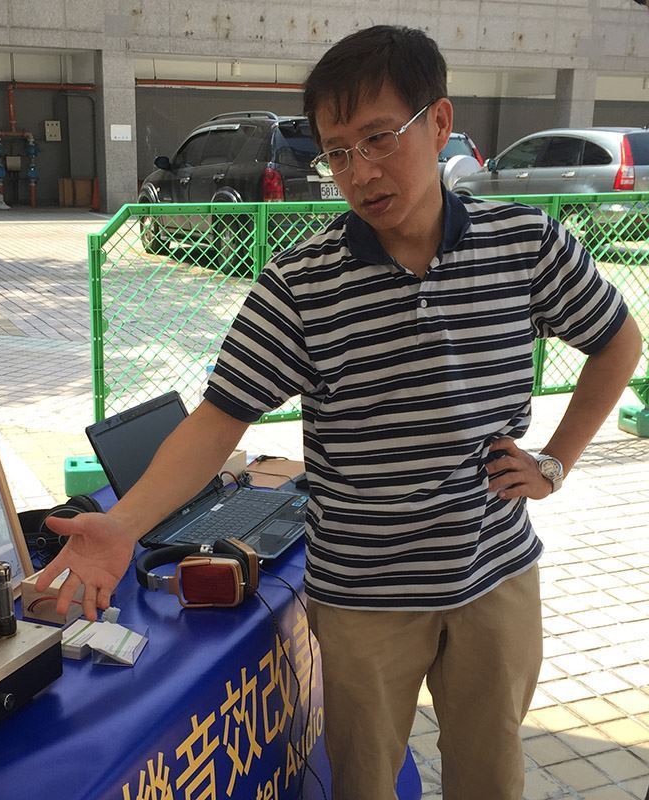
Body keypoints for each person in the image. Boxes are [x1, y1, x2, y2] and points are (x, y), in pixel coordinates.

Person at [37, 25, 642, 800]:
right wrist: (122, 525)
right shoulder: (301, 284)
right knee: (363, 782)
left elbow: (617, 342)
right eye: (338, 152)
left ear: (440, 121)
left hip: (493, 575)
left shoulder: (526, 245)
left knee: (491, 776)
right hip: (362, 600)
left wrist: (557, 462)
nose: (361, 172)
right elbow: (218, 421)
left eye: (379, 138)